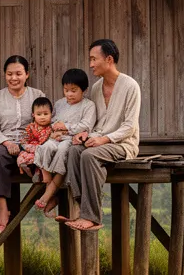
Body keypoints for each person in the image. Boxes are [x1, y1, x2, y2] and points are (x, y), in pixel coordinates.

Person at [60, 39, 141, 232]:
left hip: (123, 144)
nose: (91, 64)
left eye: (94, 59)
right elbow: (95, 121)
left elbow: (129, 127)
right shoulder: (96, 88)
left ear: (109, 59)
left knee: (89, 155)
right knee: (74, 150)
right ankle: (83, 208)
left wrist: (103, 139)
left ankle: (92, 217)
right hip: (98, 140)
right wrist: (84, 134)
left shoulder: (130, 86)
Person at [0, 55, 46, 231]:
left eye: (18, 73)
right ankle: (2, 209)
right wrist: (7, 143)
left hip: (31, 143)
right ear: (5, 75)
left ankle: (49, 199)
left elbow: (45, 121)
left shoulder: (37, 95)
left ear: (27, 74)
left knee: (47, 152)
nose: (13, 78)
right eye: (9, 74)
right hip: (4, 143)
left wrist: (29, 144)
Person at [34, 68, 96, 216]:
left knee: (62, 150)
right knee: (45, 147)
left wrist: (66, 127)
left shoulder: (88, 105)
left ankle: (49, 193)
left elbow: (86, 125)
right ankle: (47, 179)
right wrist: (54, 130)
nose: (69, 94)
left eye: (73, 91)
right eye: (66, 90)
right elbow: (52, 120)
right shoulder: (59, 103)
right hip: (56, 137)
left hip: (70, 140)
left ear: (84, 90)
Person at [16, 97, 54, 176]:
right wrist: (27, 147)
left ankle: (37, 172)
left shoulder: (52, 127)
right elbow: (25, 139)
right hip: (31, 148)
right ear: (33, 115)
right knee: (22, 155)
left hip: (43, 149)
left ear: (51, 113)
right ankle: (26, 167)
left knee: (39, 157)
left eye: (46, 114)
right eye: (39, 114)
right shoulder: (31, 127)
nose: (42, 117)